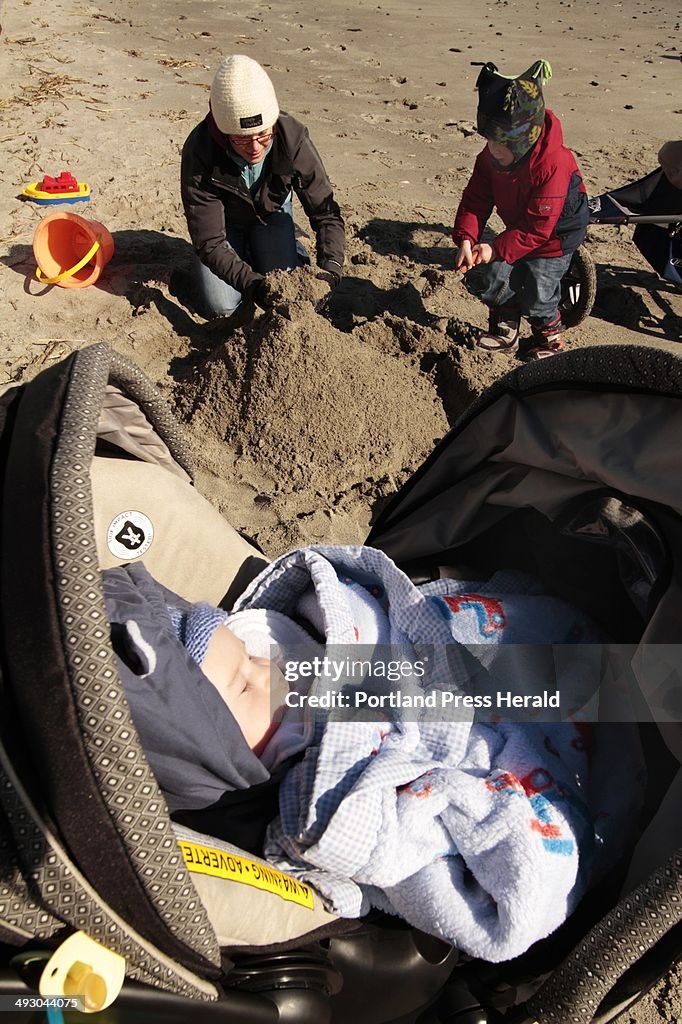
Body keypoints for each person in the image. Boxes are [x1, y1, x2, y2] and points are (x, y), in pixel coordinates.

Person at [102, 548, 643, 963]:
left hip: (457, 689)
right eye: (244, 687)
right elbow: (382, 839)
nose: (267, 671)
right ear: (217, 750)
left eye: (248, 654)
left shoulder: (286, 662)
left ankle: (626, 686)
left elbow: (380, 636)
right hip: (456, 766)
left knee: (524, 654)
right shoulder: (298, 805)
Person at [174, 54, 345, 321]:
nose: (255, 148)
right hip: (224, 226)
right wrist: (257, 287)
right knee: (222, 306)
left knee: (285, 279)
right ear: (223, 132)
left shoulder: (292, 137)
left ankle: (290, 245)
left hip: (271, 214)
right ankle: (245, 255)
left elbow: (326, 213)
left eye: (263, 136)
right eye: (242, 140)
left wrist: (331, 268)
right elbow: (210, 243)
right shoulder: (199, 151)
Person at [452, 60, 589, 358]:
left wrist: (496, 247)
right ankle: (505, 322)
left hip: (555, 234)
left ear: (523, 140)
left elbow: (538, 229)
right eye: (489, 141)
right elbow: (476, 198)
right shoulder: (491, 157)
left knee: (540, 289)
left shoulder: (553, 163)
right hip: (520, 224)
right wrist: (466, 237)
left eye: (501, 146)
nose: (492, 150)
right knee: (496, 276)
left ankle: (548, 336)